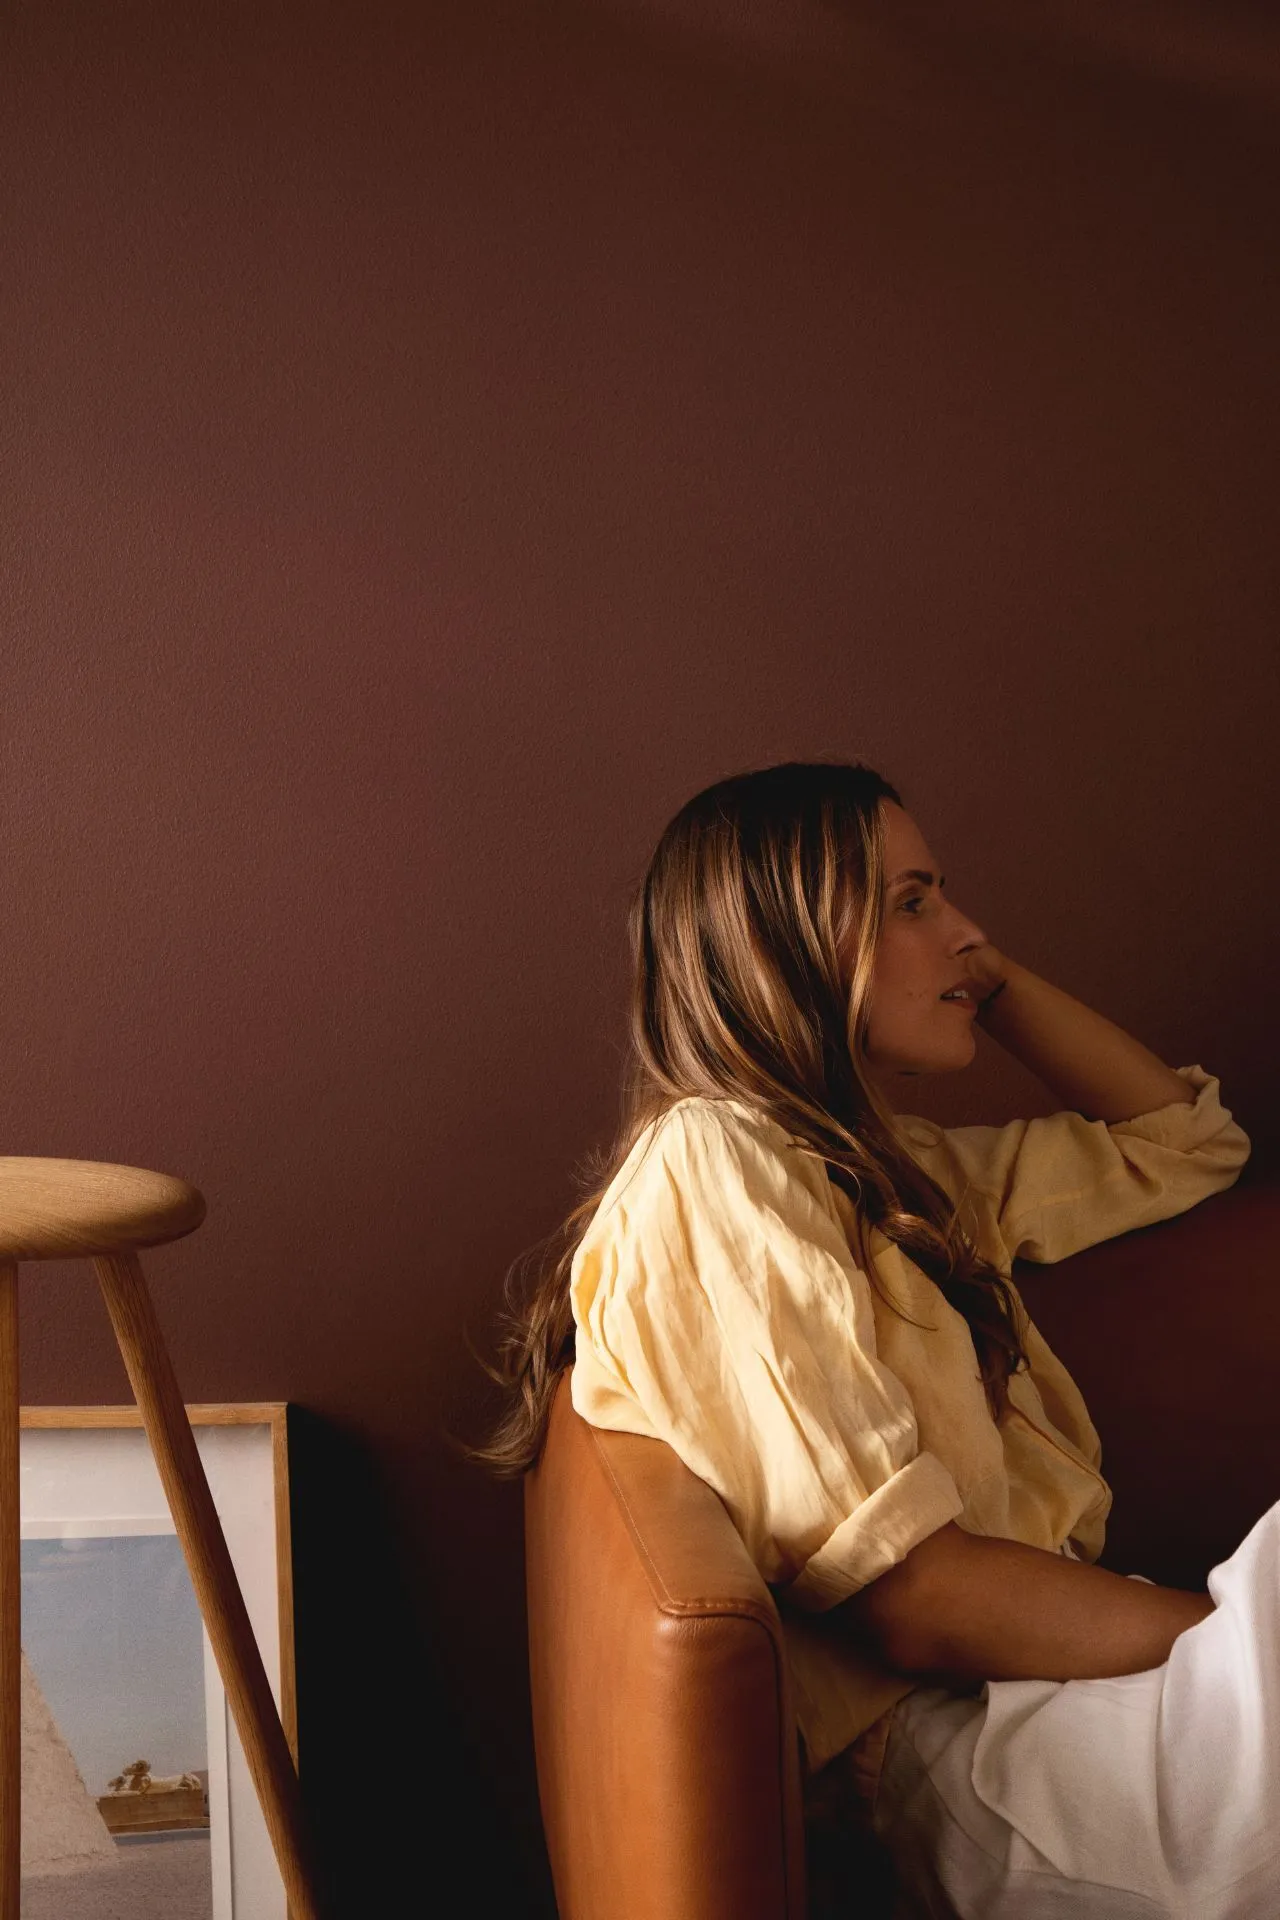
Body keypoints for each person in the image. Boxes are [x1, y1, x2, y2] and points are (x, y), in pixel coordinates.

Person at [477, 759, 1266, 1918]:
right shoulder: (713, 1164)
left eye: (940, 897)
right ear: (780, 948)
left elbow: (1185, 1144)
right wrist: (1218, 1644)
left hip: (1065, 1696)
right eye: (909, 903)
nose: (963, 931)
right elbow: (913, 1597)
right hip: (988, 1752)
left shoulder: (897, 1175)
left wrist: (976, 981)